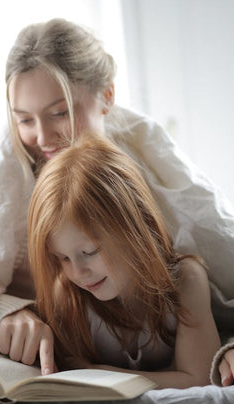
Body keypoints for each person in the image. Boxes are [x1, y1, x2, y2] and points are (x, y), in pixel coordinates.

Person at [0, 17, 234, 391]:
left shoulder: (179, 267)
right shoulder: (65, 285)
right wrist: (6, 315)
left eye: (60, 112)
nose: (42, 138)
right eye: (23, 120)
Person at [28, 136, 220, 388]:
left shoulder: (186, 280)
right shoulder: (67, 296)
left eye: (90, 251)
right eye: (63, 258)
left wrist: (101, 373)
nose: (78, 272)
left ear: (135, 225)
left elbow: (200, 379)